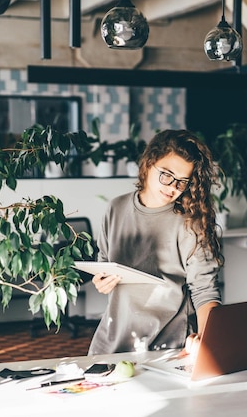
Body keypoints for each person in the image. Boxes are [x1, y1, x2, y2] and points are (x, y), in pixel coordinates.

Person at [87, 129, 223, 356]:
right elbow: (103, 264)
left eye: (182, 182)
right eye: (167, 175)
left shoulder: (191, 223)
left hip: (169, 345)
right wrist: (101, 281)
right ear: (149, 163)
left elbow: (204, 291)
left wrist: (208, 340)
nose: (172, 187)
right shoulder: (115, 208)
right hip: (111, 341)